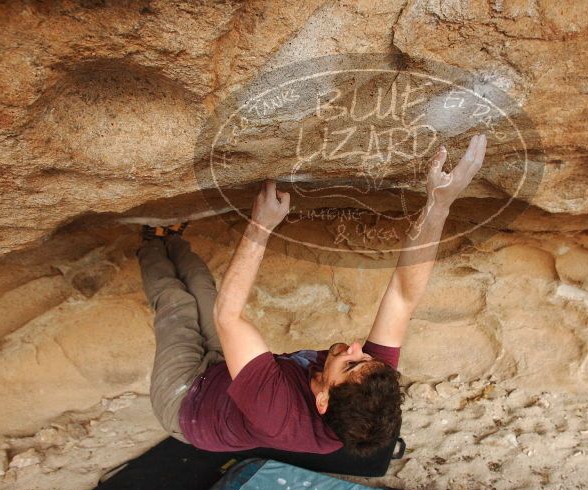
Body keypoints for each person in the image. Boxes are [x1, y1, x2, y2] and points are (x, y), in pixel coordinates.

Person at [137, 134, 487, 457]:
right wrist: (440, 203)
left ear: (322, 400)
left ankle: (152, 242)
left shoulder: (278, 414)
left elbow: (228, 317)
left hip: (188, 401)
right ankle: (173, 239)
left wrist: (261, 225)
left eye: (349, 363)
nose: (355, 348)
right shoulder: (367, 384)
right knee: (202, 288)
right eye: (363, 357)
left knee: (177, 304)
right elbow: (403, 295)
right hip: (226, 373)